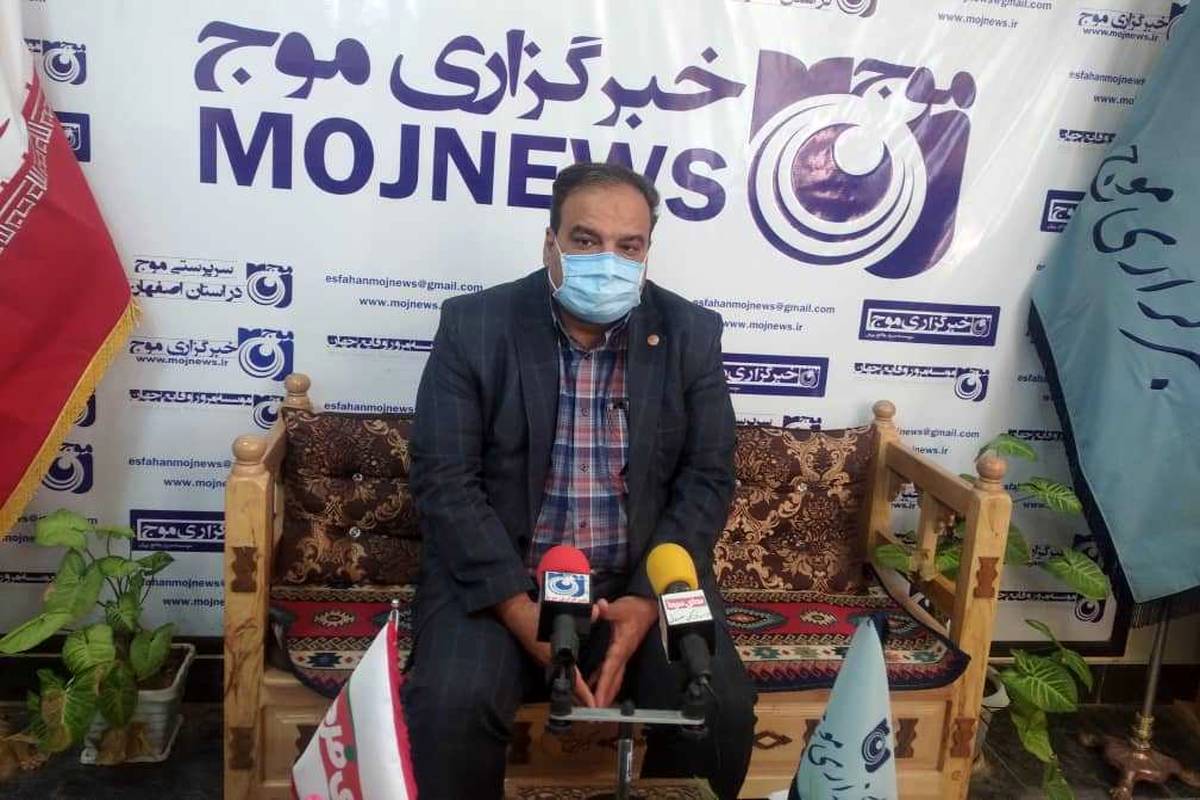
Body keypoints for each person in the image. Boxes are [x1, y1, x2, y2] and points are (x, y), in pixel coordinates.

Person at [403, 161, 756, 799]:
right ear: (551, 244)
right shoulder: (475, 326)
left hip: (642, 578)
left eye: (629, 246)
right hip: (505, 577)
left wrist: (646, 601)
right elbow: (445, 480)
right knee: (451, 707)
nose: (607, 261)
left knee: (720, 712)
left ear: (647, 252)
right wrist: (518, 609)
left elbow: (708, 476)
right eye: (586, 240)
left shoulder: (689, 333)